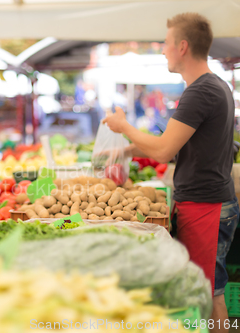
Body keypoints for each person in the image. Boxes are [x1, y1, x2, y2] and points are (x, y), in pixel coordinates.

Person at [103, 13, 237, 330]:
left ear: (182, 46)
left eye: (165, 43)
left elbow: (163, 151)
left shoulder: (201, 91)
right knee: (207, 290)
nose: (162, 50)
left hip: (206, 206)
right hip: (209, 202)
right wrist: (125, 149)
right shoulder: (212, 85)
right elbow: (173, 143)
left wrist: (124, 127)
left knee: (208, 295)